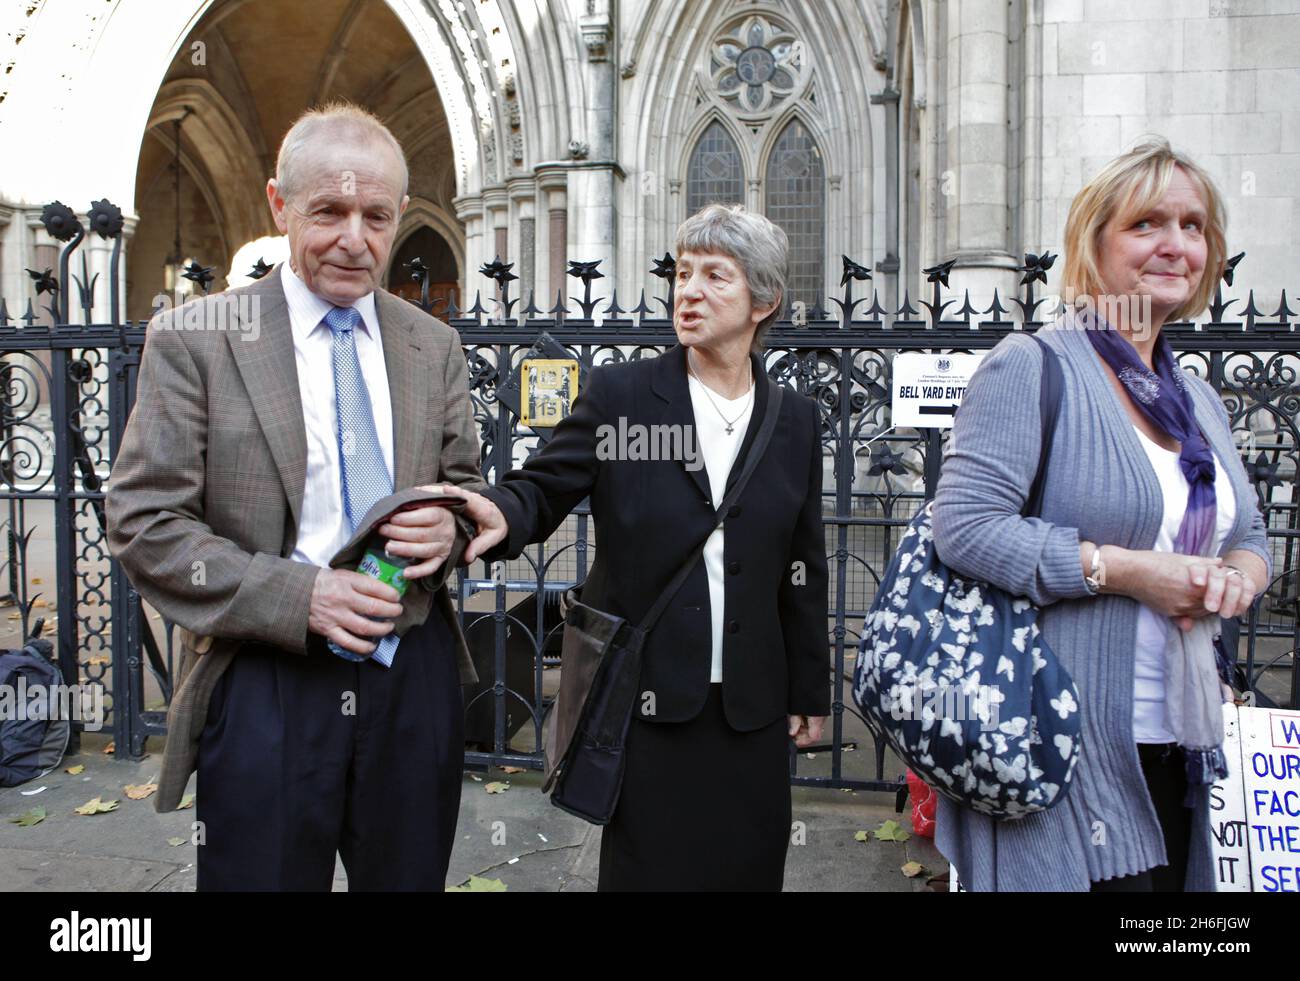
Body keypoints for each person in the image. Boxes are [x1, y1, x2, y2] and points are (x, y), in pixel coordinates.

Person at [106, 102, 486, 891]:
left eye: (377, 215)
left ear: (399, 216)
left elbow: (467, 487)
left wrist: (450, 531)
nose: (356, 237)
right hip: (267, 680)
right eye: (330, 211)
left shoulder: (433, 344)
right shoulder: (198, 338)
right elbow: (144, 523)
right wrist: (301, 596)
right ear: (280, 205)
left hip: (409, 679)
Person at [446, 204, 830, 891]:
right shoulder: (624, 396)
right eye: (684, 273)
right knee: (648, 873)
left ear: (763, 302)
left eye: (716, 276)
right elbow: (544, 485)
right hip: (651, 696)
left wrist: (809, 687)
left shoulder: (795, 421)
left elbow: (802, 569)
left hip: (751, 704)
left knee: (747, 870)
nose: (690, 290)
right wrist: (502, 512)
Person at [931, 138, 1271, 891]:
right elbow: (963, 525)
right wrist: (1125, 572)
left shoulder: (1197, 400)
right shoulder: (1035, 365)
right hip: (1060, 742)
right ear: (1095, 243)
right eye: (1147, 223)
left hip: (1182, 745)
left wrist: (1239, 576)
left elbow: (1247, 532)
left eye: (1193, 225)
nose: (1175, 244)